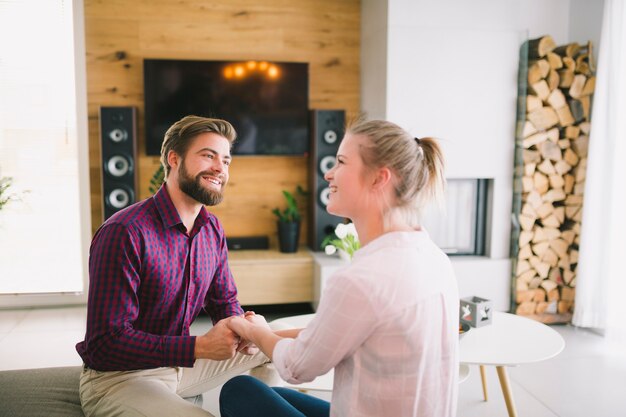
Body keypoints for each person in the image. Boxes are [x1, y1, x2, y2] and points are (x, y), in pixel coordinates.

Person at [219, 119, 460, 417]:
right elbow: (336, 331)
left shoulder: (362, 278)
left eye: (342, 162)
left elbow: (297, 367)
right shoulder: (432, 256)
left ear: (379, 179)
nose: (328, 173)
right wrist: (265, 331)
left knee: (239, 391)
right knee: (276, 394)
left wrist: (250, 330)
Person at [76, 115, 270, 417]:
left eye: (227, 160)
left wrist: (242, 329)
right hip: (121, 378)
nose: (220, 168)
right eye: (208, 156)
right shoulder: (125, 232)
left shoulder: (211, 228)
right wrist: (199, 347)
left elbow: (224, 301)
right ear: (174, 158)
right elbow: (105, 344)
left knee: (273, 344)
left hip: (179, 367)